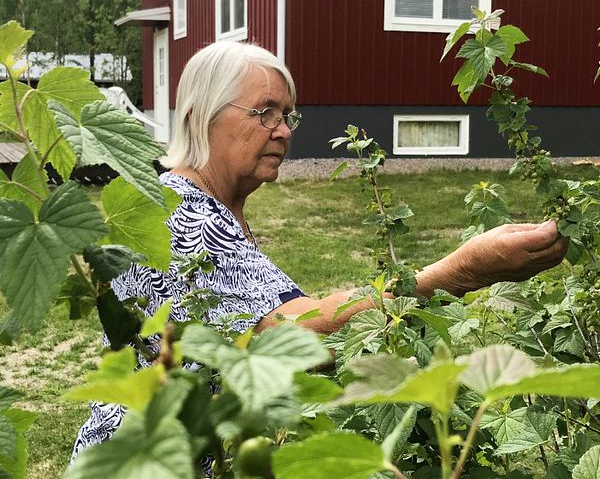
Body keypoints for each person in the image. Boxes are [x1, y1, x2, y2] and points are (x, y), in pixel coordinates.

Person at [72, 41, 567, 457]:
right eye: (264, 111)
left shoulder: (216, 208)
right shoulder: (182, 214)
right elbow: (289, 336)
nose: (284, 129)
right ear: (202, 116)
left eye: (288, 114)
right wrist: (460, 272)